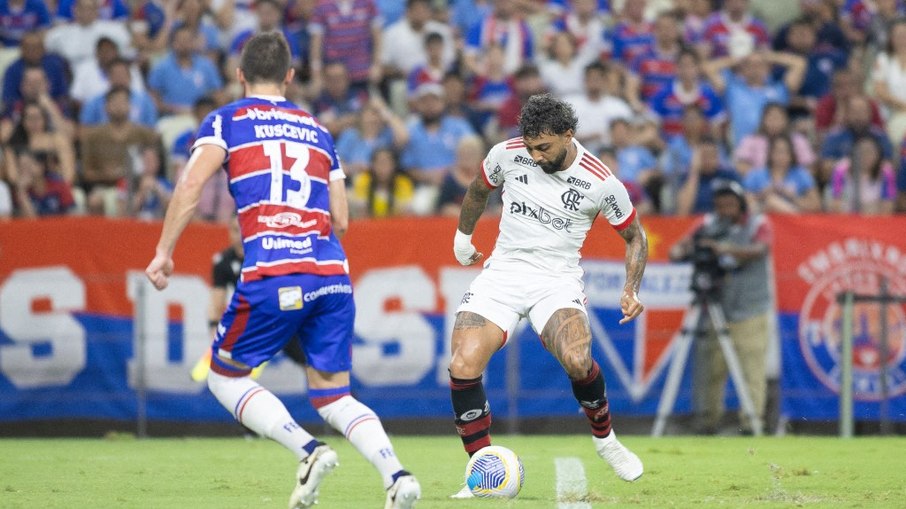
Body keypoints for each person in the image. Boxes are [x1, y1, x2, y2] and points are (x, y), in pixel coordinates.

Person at [143, 33, 420, 509]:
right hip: (332, 273)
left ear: (240, 75)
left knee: (223, 377)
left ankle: (308, 450)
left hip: (275, 269)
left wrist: (164, 251)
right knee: (334, 396)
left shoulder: (225, 121)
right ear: (291, 76)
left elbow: (190, 186)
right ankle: (397, 476)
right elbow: (343, 220)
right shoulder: (318, 129)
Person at [448, 93, 647, 498]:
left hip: (556, 280)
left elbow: (635, 237)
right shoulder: (507, 154)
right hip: (502, 273)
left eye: (545, 147)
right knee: (462, 362)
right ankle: (481, 468)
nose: (536, 156)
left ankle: (606, 441)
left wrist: (631, 289)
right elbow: (476, 189)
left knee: (577, 359)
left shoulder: (601, 181)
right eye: (531, 146)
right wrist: (462, 237)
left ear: (568, 135)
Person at [668, 180, 773, 435]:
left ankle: (752, 424)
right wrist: (690, 249)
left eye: (730, 204)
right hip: (714, 308)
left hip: (749, 309)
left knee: (751, 371)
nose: (724, 209)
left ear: (740, 204)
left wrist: (722, 249)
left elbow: (760, 249)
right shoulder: (707, 224)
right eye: (720, 204)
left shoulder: (758, 224)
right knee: (709, 369)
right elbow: (674, 250)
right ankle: (707, 422)